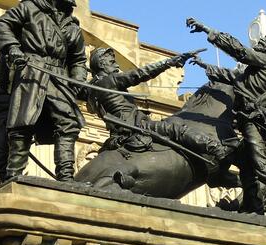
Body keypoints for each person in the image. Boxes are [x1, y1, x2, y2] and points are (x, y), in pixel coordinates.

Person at [186, 17, 266, 218]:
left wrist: (208, 30)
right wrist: (206, 67)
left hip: (255, 121)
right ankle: (252, 205)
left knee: (261, 166)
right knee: (247, 166)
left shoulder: (265, 61)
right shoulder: (255, 70)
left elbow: (239, 50)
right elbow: (233, 78)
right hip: (248, 121)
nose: (263, 40)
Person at [0, 0, 87, 181]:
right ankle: (14, 175)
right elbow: (1, 24)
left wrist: (78, 81)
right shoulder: (30, 7)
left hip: (59, 77)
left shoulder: (72, 24)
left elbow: (78, 60)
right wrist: (12, 47)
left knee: (68, 124)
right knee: (22, 124)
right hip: (32, 71)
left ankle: (65, 176)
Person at [86, 48, 230, 161]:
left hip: (116, 133)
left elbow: (91, 109)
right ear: (101, 64)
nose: (117, 65)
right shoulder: (109, 81)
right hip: (134, 126)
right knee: (176, 129)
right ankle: (216, 149)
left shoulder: (92, 91)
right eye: (112, 62)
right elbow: (141, 73)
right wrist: (171, 62)